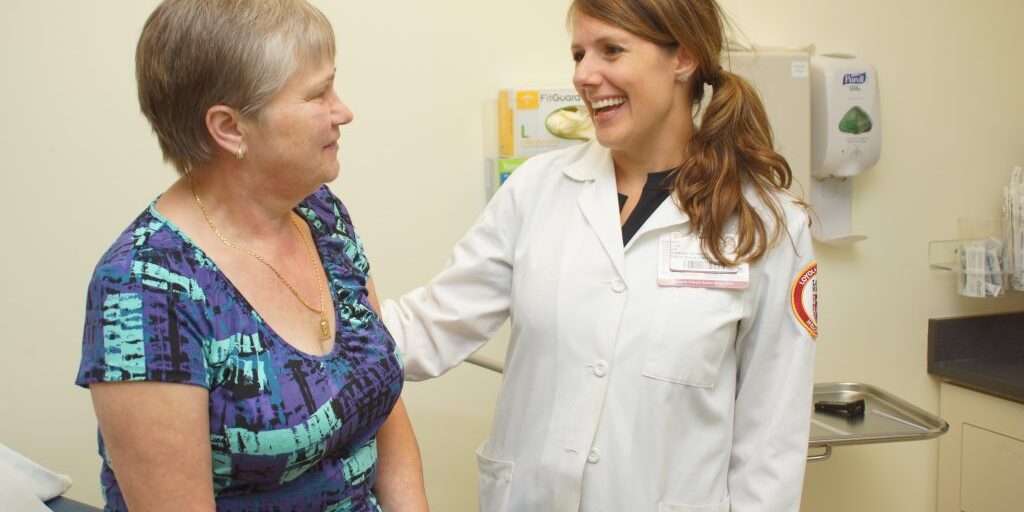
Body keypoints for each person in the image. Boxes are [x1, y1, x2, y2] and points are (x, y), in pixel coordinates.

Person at [381, 0, 817, 510]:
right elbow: (432, 325)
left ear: (684, 58)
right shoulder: (537, 191)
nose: (585, 75)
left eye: (611, 50)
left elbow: (773, 440)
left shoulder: (766, 223)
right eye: (578, 53)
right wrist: (309, 328)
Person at [75, 1, 429, 510]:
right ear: (230, 128)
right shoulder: (144, 288)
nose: (343, 111)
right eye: (318, 94)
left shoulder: (321, 216)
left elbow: (383, 402)